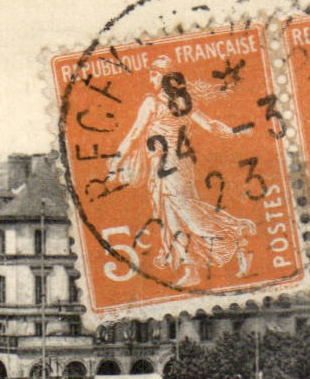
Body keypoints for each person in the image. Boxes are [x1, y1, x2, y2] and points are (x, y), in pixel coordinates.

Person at [109, 55, 258, 288]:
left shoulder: (153, 103)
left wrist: (116, 161)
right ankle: (201, 263)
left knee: (186, 215)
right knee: (176, 216)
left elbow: (135, 133)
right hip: (173, 168)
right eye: (151, 73)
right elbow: (210, 125)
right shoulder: (184, 103)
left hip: (170, 168)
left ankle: (235, 237)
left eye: (155, 74)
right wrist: (235, 131)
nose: (152, 78)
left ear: (165, 77)